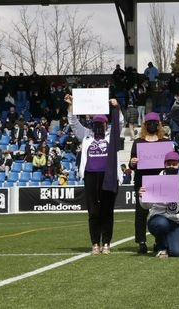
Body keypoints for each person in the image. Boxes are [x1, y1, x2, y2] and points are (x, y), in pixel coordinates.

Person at [65, 93, 123, 256]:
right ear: (92, 124)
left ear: (106, 124)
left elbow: (120, 122)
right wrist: (71, 106)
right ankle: (95, 243)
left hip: (109, 176)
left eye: (102, 123)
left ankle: (106, 243)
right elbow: (74, 123)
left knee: (107, 211)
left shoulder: (112, 133)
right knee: (93, 212)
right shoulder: (86, 135)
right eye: (96, 123)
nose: (99, 126)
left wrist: (116, 107)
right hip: (91, 176)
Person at [129, 112, 174, 255]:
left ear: (159, 124)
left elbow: (172, 161)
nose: (152, 125)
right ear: (145, 125)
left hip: (160, 181)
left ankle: (158, 240)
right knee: (141, 213)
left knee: (161, 212)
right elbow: (132, 164)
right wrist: (132, 162)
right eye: (149, 122)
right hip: (142, 182)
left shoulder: (165, 141)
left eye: (155, 122)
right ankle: (141, 242)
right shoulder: (138, 142)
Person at [143, 151, 179, 258]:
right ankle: (161, 246)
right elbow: (146, 206)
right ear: (164, 164)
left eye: (174, 164)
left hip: (175, 221)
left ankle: (165, 241)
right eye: (169, 164)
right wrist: (141, 196)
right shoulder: (155, 181)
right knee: (162, 224)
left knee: (178, 253)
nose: (171, 166)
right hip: (158, 218)